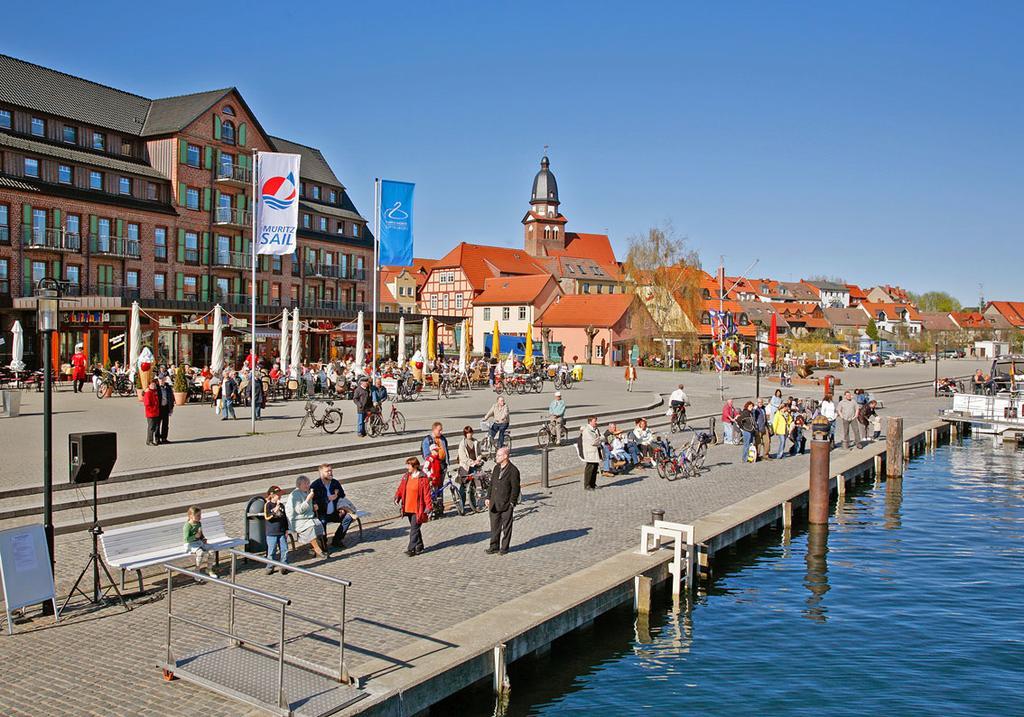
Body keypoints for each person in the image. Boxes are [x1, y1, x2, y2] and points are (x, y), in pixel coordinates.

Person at [485, 446, 520, 555]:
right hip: (495, 502)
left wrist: (512, 503)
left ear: (505, 456)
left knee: (506, 527)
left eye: (498, 455)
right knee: (494, 526)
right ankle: (494, 546)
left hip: (506, 503)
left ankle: (504, 548)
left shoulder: (513, 470)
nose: (496, 457)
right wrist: (488, 497)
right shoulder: (496, 468)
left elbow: (516, 488)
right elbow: (492, 484)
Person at [394, 457, 432, 556]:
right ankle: (419, 545)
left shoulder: (423, 478)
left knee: (414, 529)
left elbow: (427, 494)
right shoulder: (406, 476)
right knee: (415, 528)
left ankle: (411, 549)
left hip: (418, 508)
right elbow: (401, 488)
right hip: (408, 507)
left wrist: (428, 506)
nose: (407, 467)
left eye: (409, 465)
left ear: (414, 466)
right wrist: (397, 497)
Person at [311, 464, 354, 550]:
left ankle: (337, 540)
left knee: (349, 517)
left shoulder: (335, 483)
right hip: (322, 513)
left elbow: (342, 496)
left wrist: (341, 507)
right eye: (327, 471)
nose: (330, 473)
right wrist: (327, 499)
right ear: (321, 473)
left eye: (331, 471)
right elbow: (313, 502)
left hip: (335, 512)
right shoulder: (315, 485)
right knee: (322, 522)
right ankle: (323, 544)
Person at [285, 476, 326, 558]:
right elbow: (299, 510)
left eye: (308, 483)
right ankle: (317, 549)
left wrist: (314, 506)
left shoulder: (306, 492)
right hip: (297, 520)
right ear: (299, 485)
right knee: (310, 527)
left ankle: (316, 548)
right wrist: (308, 499)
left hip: (307, 518)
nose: (308, 485)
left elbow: (308, 509)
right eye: (305, 484)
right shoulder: (295, 495)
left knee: (319, 524)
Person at [183, 506, 216, 579]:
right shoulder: (187, 525)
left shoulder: (199, 523)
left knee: (212, 551)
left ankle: (209, 569)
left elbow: (200, 534)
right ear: (191, 516)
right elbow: (186, 539)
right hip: (190, 544)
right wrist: (195, 536)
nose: (200, 517)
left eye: (200, 515)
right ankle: (197, 571)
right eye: (198, 515)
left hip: (198, 542)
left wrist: (203, 538)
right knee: (200, 553)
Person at [262, 486, 289, 574]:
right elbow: (267, 517)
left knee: (284, 549)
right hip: (271, 532)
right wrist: (274, 511)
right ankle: (270, 566)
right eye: (278, 495)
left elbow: (284, 518)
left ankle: (284, 565)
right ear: (272, 495)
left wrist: (286, 529)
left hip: (281, 531)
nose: (280, 496)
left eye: (280, 494)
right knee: (272, 550)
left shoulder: (281, 505)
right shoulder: (268, 505)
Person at [457, 425, 484, 511]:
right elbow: (463, 457)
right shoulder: (462, 444)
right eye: (467, 433)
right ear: (465, 434)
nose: (469, 434)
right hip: (465, 467)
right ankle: (462, 504)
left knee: (473, 486)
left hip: (475, 466)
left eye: (470, 432)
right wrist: (472, 462)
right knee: (464, 485)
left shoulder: (475, 441)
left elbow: (479, 452)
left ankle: (473, 504)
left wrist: (479, 458)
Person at [581, 415, 603, 490]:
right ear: (590, 422)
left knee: (595, 468)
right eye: (595, 421)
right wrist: (601, 438)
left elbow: (598, 437)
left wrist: (599, 438)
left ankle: (593, 484)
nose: (596, 423)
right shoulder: (587, 430)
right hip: (590, 451)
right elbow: (593, 442)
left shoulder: (595, 429)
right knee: (590, 468)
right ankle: (587, 485)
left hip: (595, 451)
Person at [158, 375, 174, 444]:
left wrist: (171, 408)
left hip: (166, 407)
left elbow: (171, 397)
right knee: (157, 424)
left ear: (165, 379)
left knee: (165, 424)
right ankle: (157, 439)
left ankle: (164, 438)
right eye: (160, 379)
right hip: (159, 408)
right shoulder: (156, 387)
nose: (161, 381)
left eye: (162, 379)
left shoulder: (168, 387)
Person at [143, 379, 161, 446]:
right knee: (151, 427)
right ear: (149, 385)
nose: (154, 386)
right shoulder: (148, 393)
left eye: (154, 385)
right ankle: (149, 441)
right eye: (152, 385)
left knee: (155, 427)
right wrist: (153, 408)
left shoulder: (154, 392)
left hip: (156, 412)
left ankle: (153, 440)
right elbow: (147, 404)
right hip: (151, 413)